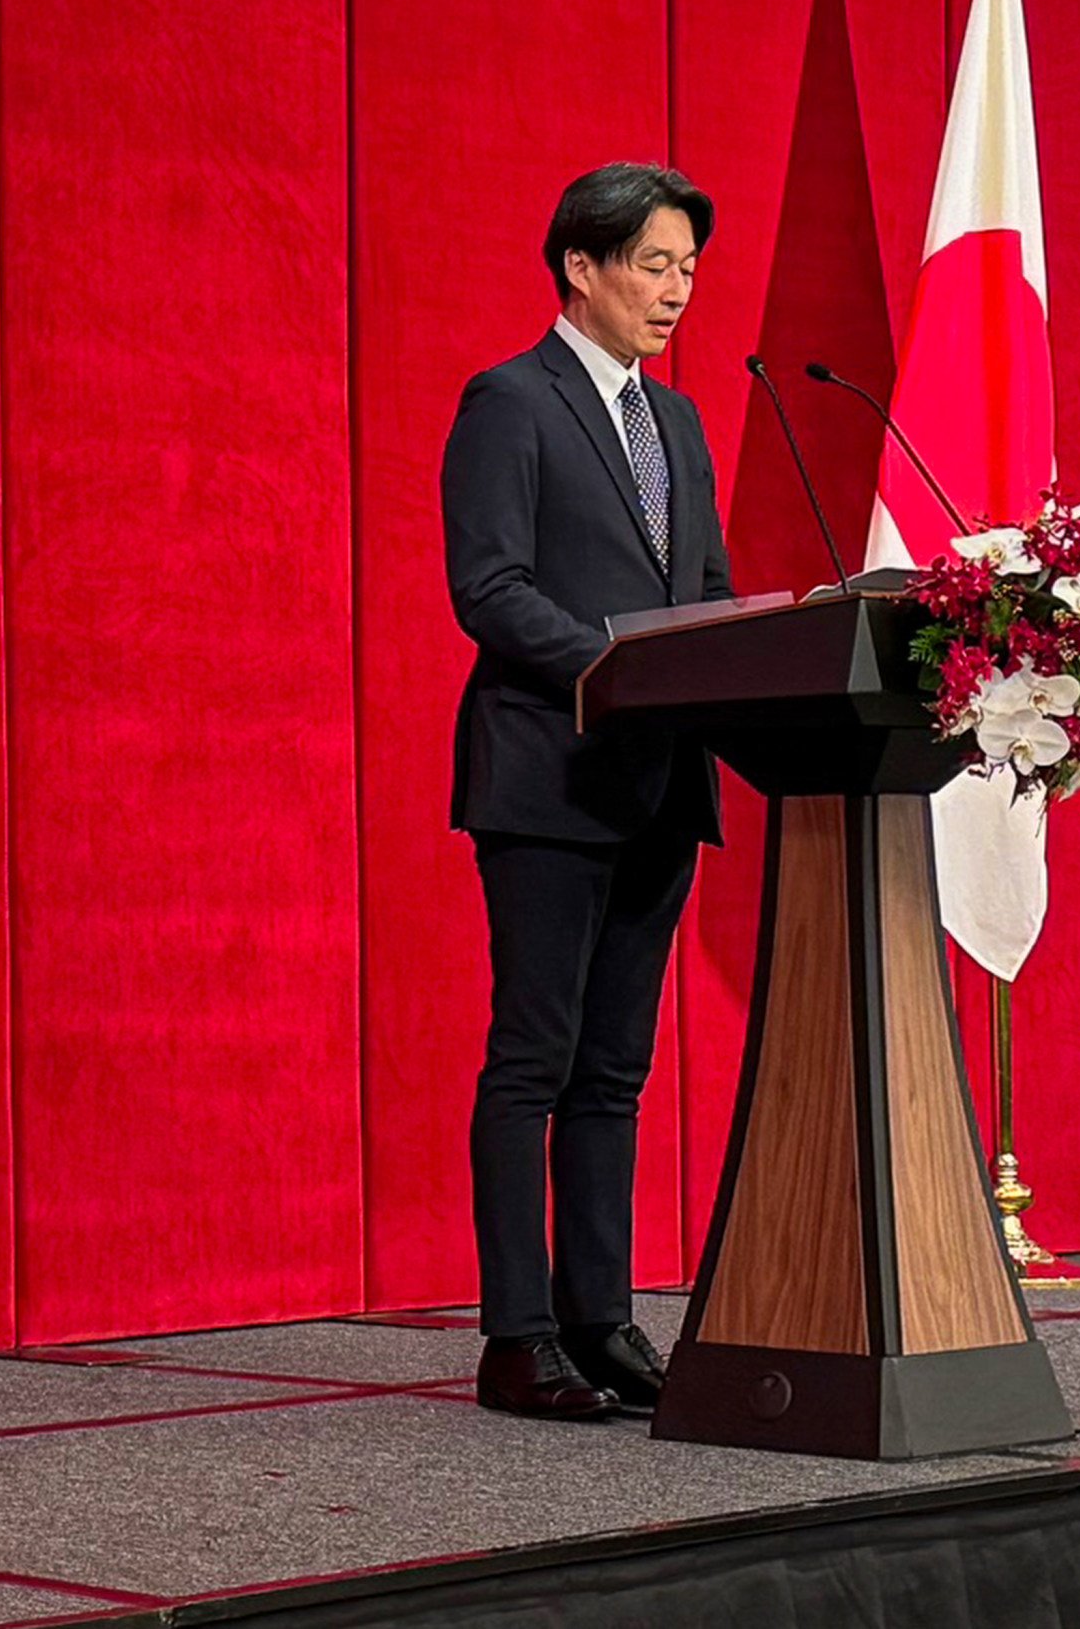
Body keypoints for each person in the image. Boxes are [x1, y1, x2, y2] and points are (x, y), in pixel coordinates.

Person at [439, 161, 732, 1422]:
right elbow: (490, 589)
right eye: (655, 266)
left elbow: (710, 592)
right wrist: (622, 668)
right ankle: (517, 1337)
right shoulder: (509, 402)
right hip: (551, 774)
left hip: (662, 782)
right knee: (534, 1060)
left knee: (615, 1071)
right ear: (582, 266)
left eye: (687, 272)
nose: (675, 294)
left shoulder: (679, 422)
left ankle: (599, 1318)